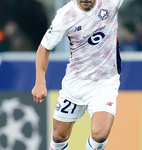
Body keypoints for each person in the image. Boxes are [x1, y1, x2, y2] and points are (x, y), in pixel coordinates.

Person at [32, 0, 123, 150]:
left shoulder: (110, 3)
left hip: (106, 82)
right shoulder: (65, 16)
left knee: (100, 134)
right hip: (76, 83)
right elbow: (44, 49)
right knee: (59, 136)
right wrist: (40, 82)